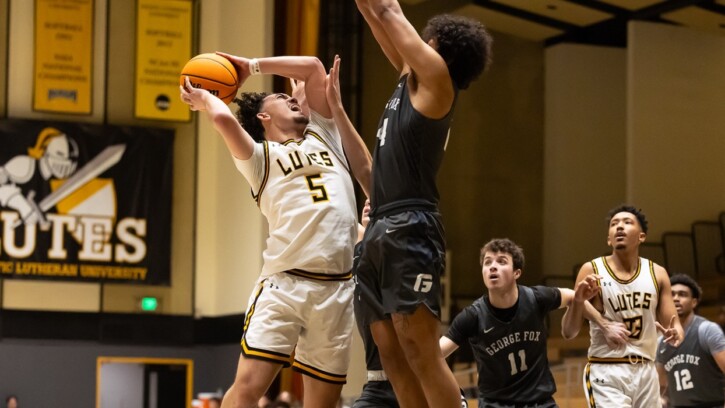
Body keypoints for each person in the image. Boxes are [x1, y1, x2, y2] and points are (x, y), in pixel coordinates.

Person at [180, 52, 370, 408]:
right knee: (249, 386)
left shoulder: (323, 134)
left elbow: (314, 68)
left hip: (337, 289)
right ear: (263, 117)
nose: (293, 98)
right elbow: (223, 119)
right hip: (285, 285)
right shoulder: (259, 158)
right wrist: (206, 97)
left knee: (323, 402)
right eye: (282, 99)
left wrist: (249, 66)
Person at [354, 1, 493, 406]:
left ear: (439, 50)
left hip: (410, 223)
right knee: (392, 358)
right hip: (380, 223)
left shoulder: (436, 79)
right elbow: (374, 14)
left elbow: (388, 10)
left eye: (426, 39)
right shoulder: (410, 77)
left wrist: (377, 9)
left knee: (420, 354)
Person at [439, 238, 619, 407]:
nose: (492, 267)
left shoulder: (536, 298)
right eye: (487, 262)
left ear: (517, 272)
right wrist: (452, 394)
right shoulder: (473, 316)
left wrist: (605, 325)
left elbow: (573, 296)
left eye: (501, 261)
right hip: (496, 404)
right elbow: (434, 354)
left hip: (540, 402)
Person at [562, 204, 684, 407]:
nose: (619, 227)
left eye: (627, 223)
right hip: (607, 369)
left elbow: (675, 325)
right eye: (614, 224)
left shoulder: (658, 273)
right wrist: (581, 304)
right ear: (609, 239)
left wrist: (675, 333)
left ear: (641, 237)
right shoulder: (591, 270)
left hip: (646, 369)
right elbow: (568, 331)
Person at [656, 274, 725, 408]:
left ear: (694, 302)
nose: (676, 298)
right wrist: (660, 400)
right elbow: (661, 384)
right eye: (672, 295)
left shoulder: (707, 330)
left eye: (682, 294)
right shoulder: (662, 342)